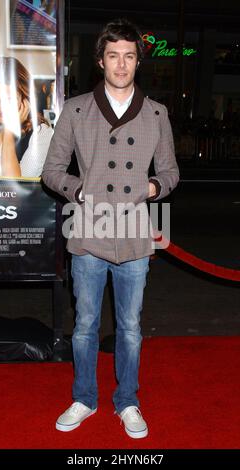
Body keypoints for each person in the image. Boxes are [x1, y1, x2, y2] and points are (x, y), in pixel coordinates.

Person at [42, 18, 179, 439]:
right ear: (101, 60)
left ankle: (128, 401)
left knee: (131, 327)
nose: (121, 65)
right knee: (83, 323)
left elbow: (171, 172)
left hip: (136, 235)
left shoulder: (157, 114)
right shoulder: (77, 109)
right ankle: (84, 396)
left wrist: (154, 186)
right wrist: (78, 191)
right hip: (87, 231)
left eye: (130, 56)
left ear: (138, 62)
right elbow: (51, 171)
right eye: (114, 56)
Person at [0, 57, 53, 178]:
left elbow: (16, 190)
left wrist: (9, 131)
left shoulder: (40, 133)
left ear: (25, 98)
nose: (2, 107)